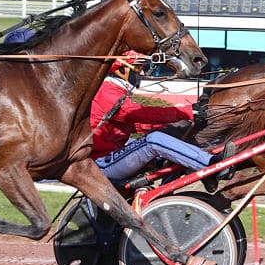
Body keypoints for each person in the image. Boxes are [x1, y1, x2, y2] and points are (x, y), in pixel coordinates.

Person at [90, 50, 235, 193]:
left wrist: (180, 124)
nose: (142, 73)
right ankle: (211, 165)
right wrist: (186, 111)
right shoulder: (106, 90)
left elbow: (140, 125)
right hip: (102, 164)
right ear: (121, 69)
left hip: (113, 158)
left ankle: (202, 174)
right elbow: (138, 113)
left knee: (169, 136)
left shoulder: (115, 90)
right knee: (154, 140)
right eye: (139, 68)